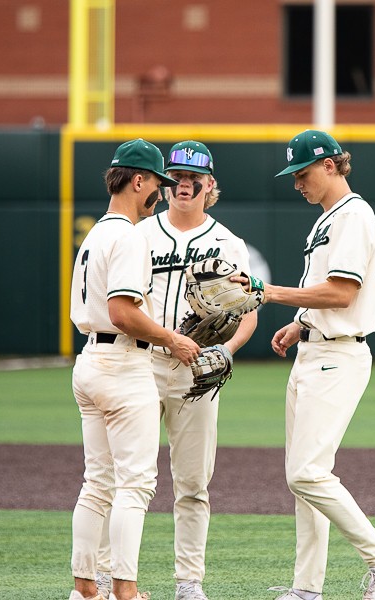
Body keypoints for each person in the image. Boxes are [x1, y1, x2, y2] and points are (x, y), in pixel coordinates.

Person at [261, 130, 375, 600]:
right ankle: (307, 590)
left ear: (330, 165)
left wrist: (270, 292)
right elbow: (325, 293)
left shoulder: (355, 216)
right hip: (314, 350)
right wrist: (299, 322)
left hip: (338, 355)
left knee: (305, 473)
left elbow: (343, 292)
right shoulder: (328, 218)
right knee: (305, 481)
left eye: (302, 173)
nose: (297, 183)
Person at [108, 140, 254, 600]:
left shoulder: (228, 242)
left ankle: (188, 584)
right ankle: (109, 578)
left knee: (192, 485)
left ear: (211, 186)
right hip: (141, 364)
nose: (185, 185)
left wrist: (227, 349)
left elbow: (247, 310)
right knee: (127, 478)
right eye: (178, 177)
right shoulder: (139, 234)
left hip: (198, 372)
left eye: (196, 178)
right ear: (167, 184)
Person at [68, 138, 202, 600]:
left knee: (97, 482)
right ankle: (125, 591)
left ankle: (86, 588)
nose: (160, 194)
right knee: (135, 485)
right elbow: (124, 311)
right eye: (156, 184)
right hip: (123, 363)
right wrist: (172, 338)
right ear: (137, 180)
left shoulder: (97, 233)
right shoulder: (127, 235)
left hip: (89, 361)